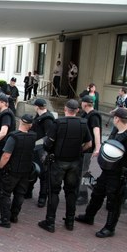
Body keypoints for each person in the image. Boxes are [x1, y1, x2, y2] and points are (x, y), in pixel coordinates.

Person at [75, 108, 127, 238]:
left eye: (114, 117)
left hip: (118, 174)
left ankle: (110, 228)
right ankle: (89, 217)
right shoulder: (117, 131)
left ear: (117, 119)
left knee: (114, 201)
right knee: (97, 194)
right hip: (108, 171)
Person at [38, 99, 92, 233]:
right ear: (77, 110)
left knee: (54, 191)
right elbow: (89, 144)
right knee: (71, 192)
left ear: (65, 109)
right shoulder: (83, 123)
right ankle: (70, 221)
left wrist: (49, 150)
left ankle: (50, 222)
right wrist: (79, 151)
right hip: (75, 162)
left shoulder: (59, 123)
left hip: (58, 162)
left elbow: (48, 143)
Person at [0, 114, 37, 228]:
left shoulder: (14, 137)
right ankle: (14, 216)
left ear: (20, 122)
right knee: (20, 194)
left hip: (12, 171)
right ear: (30, 125)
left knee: (5, 194)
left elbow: (6, 155)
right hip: (25, 170)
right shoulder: (33, 136)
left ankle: (5, 219)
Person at [26, 98, 55, 207]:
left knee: (43, 174)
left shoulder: (47, 119)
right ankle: (28, 192)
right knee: (32, 170)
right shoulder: (40, 117)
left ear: (37, 107)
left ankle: (42, 197)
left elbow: (49, 136)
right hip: (35, 149)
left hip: (42, 150)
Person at [76, 96, 102, 205]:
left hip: (89, 149)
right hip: (85, 147)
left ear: (85, 104)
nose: (81, 104)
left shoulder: (93, 116)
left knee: (84, 171)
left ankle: (84, 195)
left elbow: (96, 132)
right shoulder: (85, 115)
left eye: (82, 102)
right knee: (83, 170)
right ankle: (95, 187)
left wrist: (97, 148)